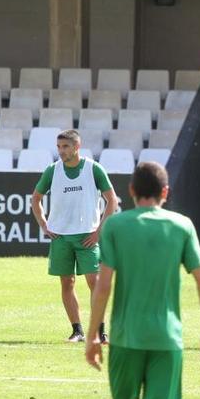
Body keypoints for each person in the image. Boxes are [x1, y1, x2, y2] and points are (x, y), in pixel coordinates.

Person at [85, 161, 200, 399]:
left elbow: (103, 286)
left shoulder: (116, 225)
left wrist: (93, 333)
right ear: (165, 192)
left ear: (131, 190)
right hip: (167, 338)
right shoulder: (182, 225)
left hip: (124, 336)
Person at [31, 129, 118, 342]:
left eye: (65, 147)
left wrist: (99, 231)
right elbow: (36, 199)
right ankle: (77, 331)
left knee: (94, 282)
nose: (61, 151)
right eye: (59, 147)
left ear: (77, 147)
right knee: (67, 283)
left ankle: (99, 331)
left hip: (88, 236)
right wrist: (43, 223)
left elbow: (112, 201)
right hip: (60, 237)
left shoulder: (94, 169)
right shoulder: (52, 170)